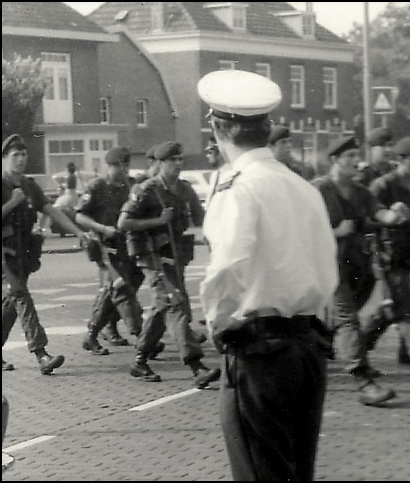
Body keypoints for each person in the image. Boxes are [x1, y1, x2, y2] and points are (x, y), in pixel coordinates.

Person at [197, 69, 338, 481]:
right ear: (268, 129)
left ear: (217, 128)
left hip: (260, 351)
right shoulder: (304, 188)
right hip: (307, 345)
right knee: (297, 471)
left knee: (261, 472)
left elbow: (227, 263)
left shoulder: (236, 187)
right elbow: (326, 269)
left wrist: (218, 321)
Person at [312, 135, 410, 406]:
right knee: (348, 320)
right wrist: (335, 232)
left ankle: (317, 348)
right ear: (334, 160)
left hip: (357, 264)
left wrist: (395, 215)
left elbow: (379, 212)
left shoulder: (360, 191)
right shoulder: (318, 190)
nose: (357, 162)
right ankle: (363, 380)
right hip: (329, 266)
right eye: (350, 157)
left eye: (357, 156)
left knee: (345, 316)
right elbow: (300, 228)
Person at [117, 141, 218, 388]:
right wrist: (157, 220)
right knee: (176, 303)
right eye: (173, 160)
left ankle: (140, 361)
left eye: (180, 160)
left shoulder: (185, 190)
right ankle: (196, 366)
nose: (178, 164)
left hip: (175, 256)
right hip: (151, 256)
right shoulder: (146, 190)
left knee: (162, 307)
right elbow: (123, 223)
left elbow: (202, 219)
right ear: (161, 163)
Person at [2, 134, 89, 373]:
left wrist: (79, 233)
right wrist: (11, 203)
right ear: (4, 158)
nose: (20, 160)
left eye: (24, 154)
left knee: (11, 304)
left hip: (23, 254)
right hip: (3, 255)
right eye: (15, 155)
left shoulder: (29, 186)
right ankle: (41, 354)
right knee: (20, 295)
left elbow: (52, 210)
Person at [362, 136, 410, 366]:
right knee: (404, 299)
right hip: (386, 251)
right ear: (400, 159)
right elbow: (365, 219)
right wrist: (389, 217)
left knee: (394, 304)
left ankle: (359, 344)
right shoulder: (383, 185)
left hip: (407, 249)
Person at [75, 147, 148, 356]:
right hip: (105, 245)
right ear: (109, 166)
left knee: (117, 291)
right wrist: (102, 228)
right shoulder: (96, 186)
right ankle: (141, 335)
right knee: (119, 290)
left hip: (128, 246)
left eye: (125, 165)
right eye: (118, 165)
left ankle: (96, 333)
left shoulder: (131, 186)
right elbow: (80, 216)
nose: (123, 169)